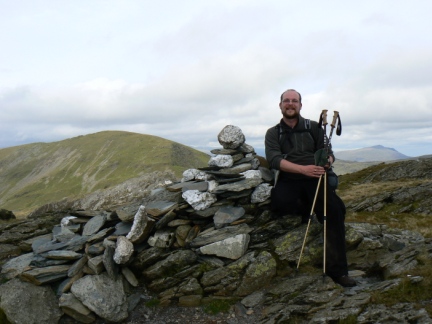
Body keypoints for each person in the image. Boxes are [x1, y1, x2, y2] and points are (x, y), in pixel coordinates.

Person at [265, 89, 356, 287]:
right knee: (279, 204)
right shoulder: (273, 133)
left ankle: (338, 271)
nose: (290, 104)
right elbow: (274, 160)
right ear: (280, 105)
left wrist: (328, 162)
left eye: (294, 101)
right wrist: (301, 169)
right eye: (286, 101)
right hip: (289, 178)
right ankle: (308, 209)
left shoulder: (314, 127)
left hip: (315, 178)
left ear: (300, 105)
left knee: (335, 210)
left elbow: (329, 153)